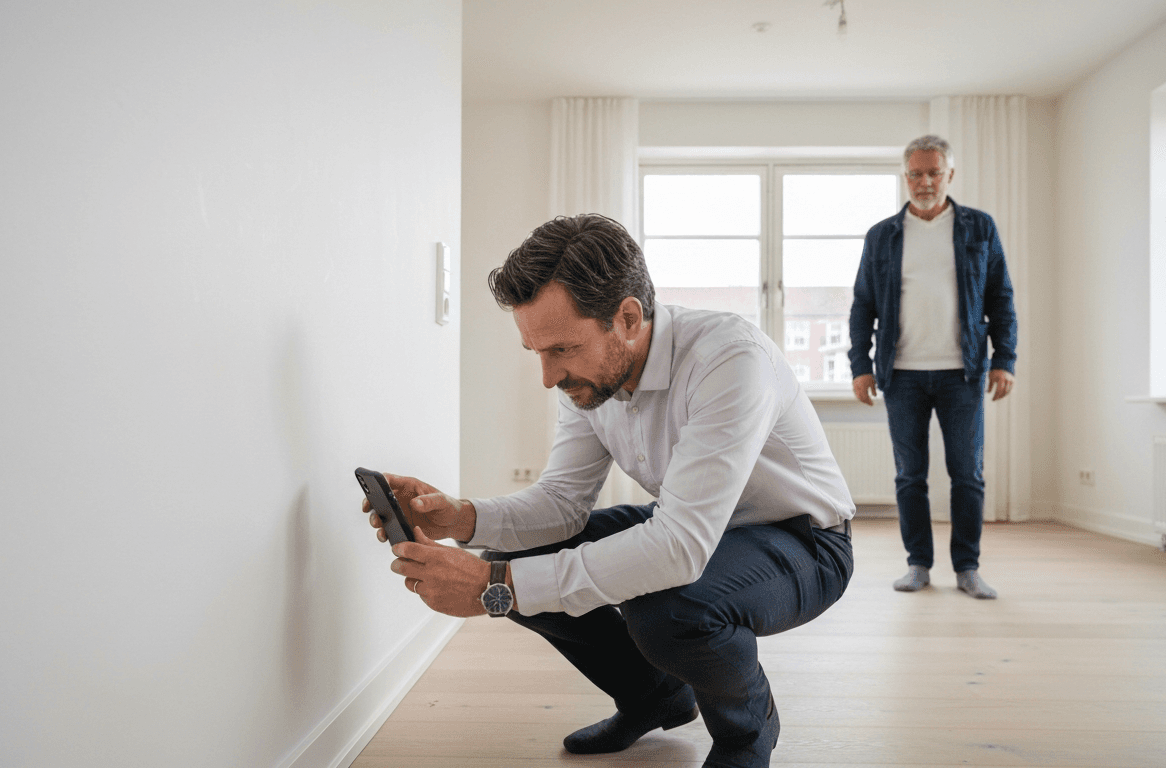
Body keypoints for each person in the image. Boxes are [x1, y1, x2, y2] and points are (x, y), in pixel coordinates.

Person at [366, 213, 855, 768]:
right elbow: (561, 506)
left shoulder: (730, 358)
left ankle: (748, 731)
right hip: (689, 523)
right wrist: (459, 518)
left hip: (804, 541)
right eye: (539, 353)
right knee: (518, 555)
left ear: (627, 317)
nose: (549, 377)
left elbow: (678, 549)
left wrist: (493, 585)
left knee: (668, 608)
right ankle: (655, 696)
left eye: (562, 350)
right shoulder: (589, 381)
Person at [847, 134, 1018, 600]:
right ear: (905, 177)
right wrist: (860, 365)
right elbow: (863, 305)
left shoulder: (979, 228)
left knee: (967, 473)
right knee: (910, 476)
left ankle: (967, 567)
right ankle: (918, 564)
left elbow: (1001, 297)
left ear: (950, 175)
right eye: (916, 173)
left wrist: (1004, 359)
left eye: (934, 172)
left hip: (962, 372)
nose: (925, 182)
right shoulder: (882, 235)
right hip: (901, 374)